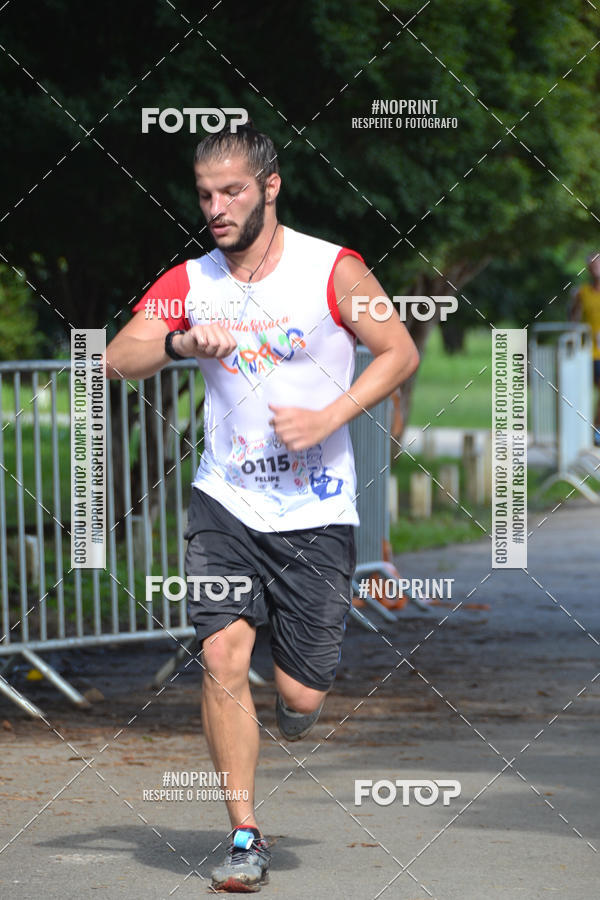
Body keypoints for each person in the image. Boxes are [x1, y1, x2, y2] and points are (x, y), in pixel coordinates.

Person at [104, 122, 419, 892]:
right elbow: (116, 358)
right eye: (206, 194)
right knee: (221, 657)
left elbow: (400, 352)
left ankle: (294, 701)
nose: (216, 207)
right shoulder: (193, 280)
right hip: (227, 502)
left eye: (232, 191)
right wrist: (180, 346)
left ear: (270, 187)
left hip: (316, 510)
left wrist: (329, 418)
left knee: (302, 694)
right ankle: (245, 833)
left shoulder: (331, 269)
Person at [570, 252, 600, 445]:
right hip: (587, 352)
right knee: (581, 393)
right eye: (592, 264)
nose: (595, 267)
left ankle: (596, 431)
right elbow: (572, 320)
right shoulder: (582, 292)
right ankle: (583, 433)